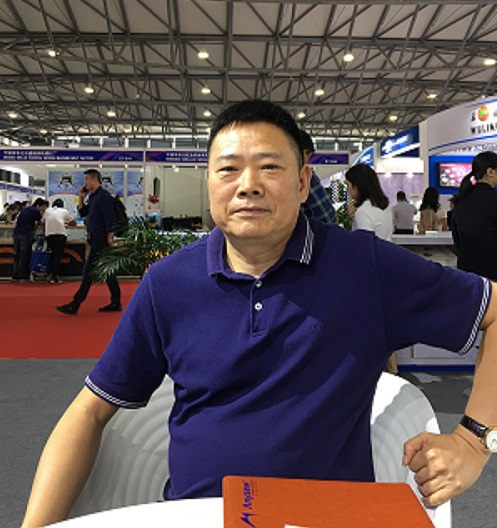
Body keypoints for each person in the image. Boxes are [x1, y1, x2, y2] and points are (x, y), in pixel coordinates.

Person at [22, 100, 497, 528]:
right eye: (228, 169)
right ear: (210, 183)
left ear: (302, 182)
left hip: (325, 518)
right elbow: (90, 411)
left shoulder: (363, 266)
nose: (248, 185)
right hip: (198, 516)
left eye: (269, 167)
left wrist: (474, 441)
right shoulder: (168, 283)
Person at [56, 169, 121, 315]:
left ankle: (75, 303)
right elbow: (83, 212)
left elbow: (109, 219)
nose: (85, 182)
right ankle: (116, 301)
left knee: (88, 271)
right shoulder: (94, 197)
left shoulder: (103, 197)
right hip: (95, 237)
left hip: (101, 238)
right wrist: (81, 198)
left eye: (87, 179)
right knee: (107, 271)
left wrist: (110, 238)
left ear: (94, 179)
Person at [451, 151, 497, 281]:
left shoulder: (460, 200)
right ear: (490, 172)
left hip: (467, 273)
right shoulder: (494, 200)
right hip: (493, 273)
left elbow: (457, 240)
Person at [345, 163, 393, 241]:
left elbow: (364, 243)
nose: (347, 189)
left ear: (357, 186)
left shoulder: (363, 211)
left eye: (348, 185)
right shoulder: (385, 206)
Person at [299, 129, 336, 224]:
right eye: (309, 157)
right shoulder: (305, 175)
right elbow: (326, 216)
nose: (309, 162)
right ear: (304, 153)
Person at [11, 198, 48, 282]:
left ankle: (15, 275)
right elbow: (40, 222)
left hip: (16, 233)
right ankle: (22, 276)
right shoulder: (36, 210)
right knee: (24, 255)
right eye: (42, 207)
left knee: (17, 255)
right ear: (38, 205)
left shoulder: (25, 209)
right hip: (26, 234)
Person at [43, 198, 77, 283]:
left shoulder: (47, 211)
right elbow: (74, 223)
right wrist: (65, 223)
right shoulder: (64, 211)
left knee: (50, 255)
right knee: (57, 256)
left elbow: (42, 222)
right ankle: (55, 275)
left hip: (49, 235)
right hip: (60, 235)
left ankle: (49, 274)